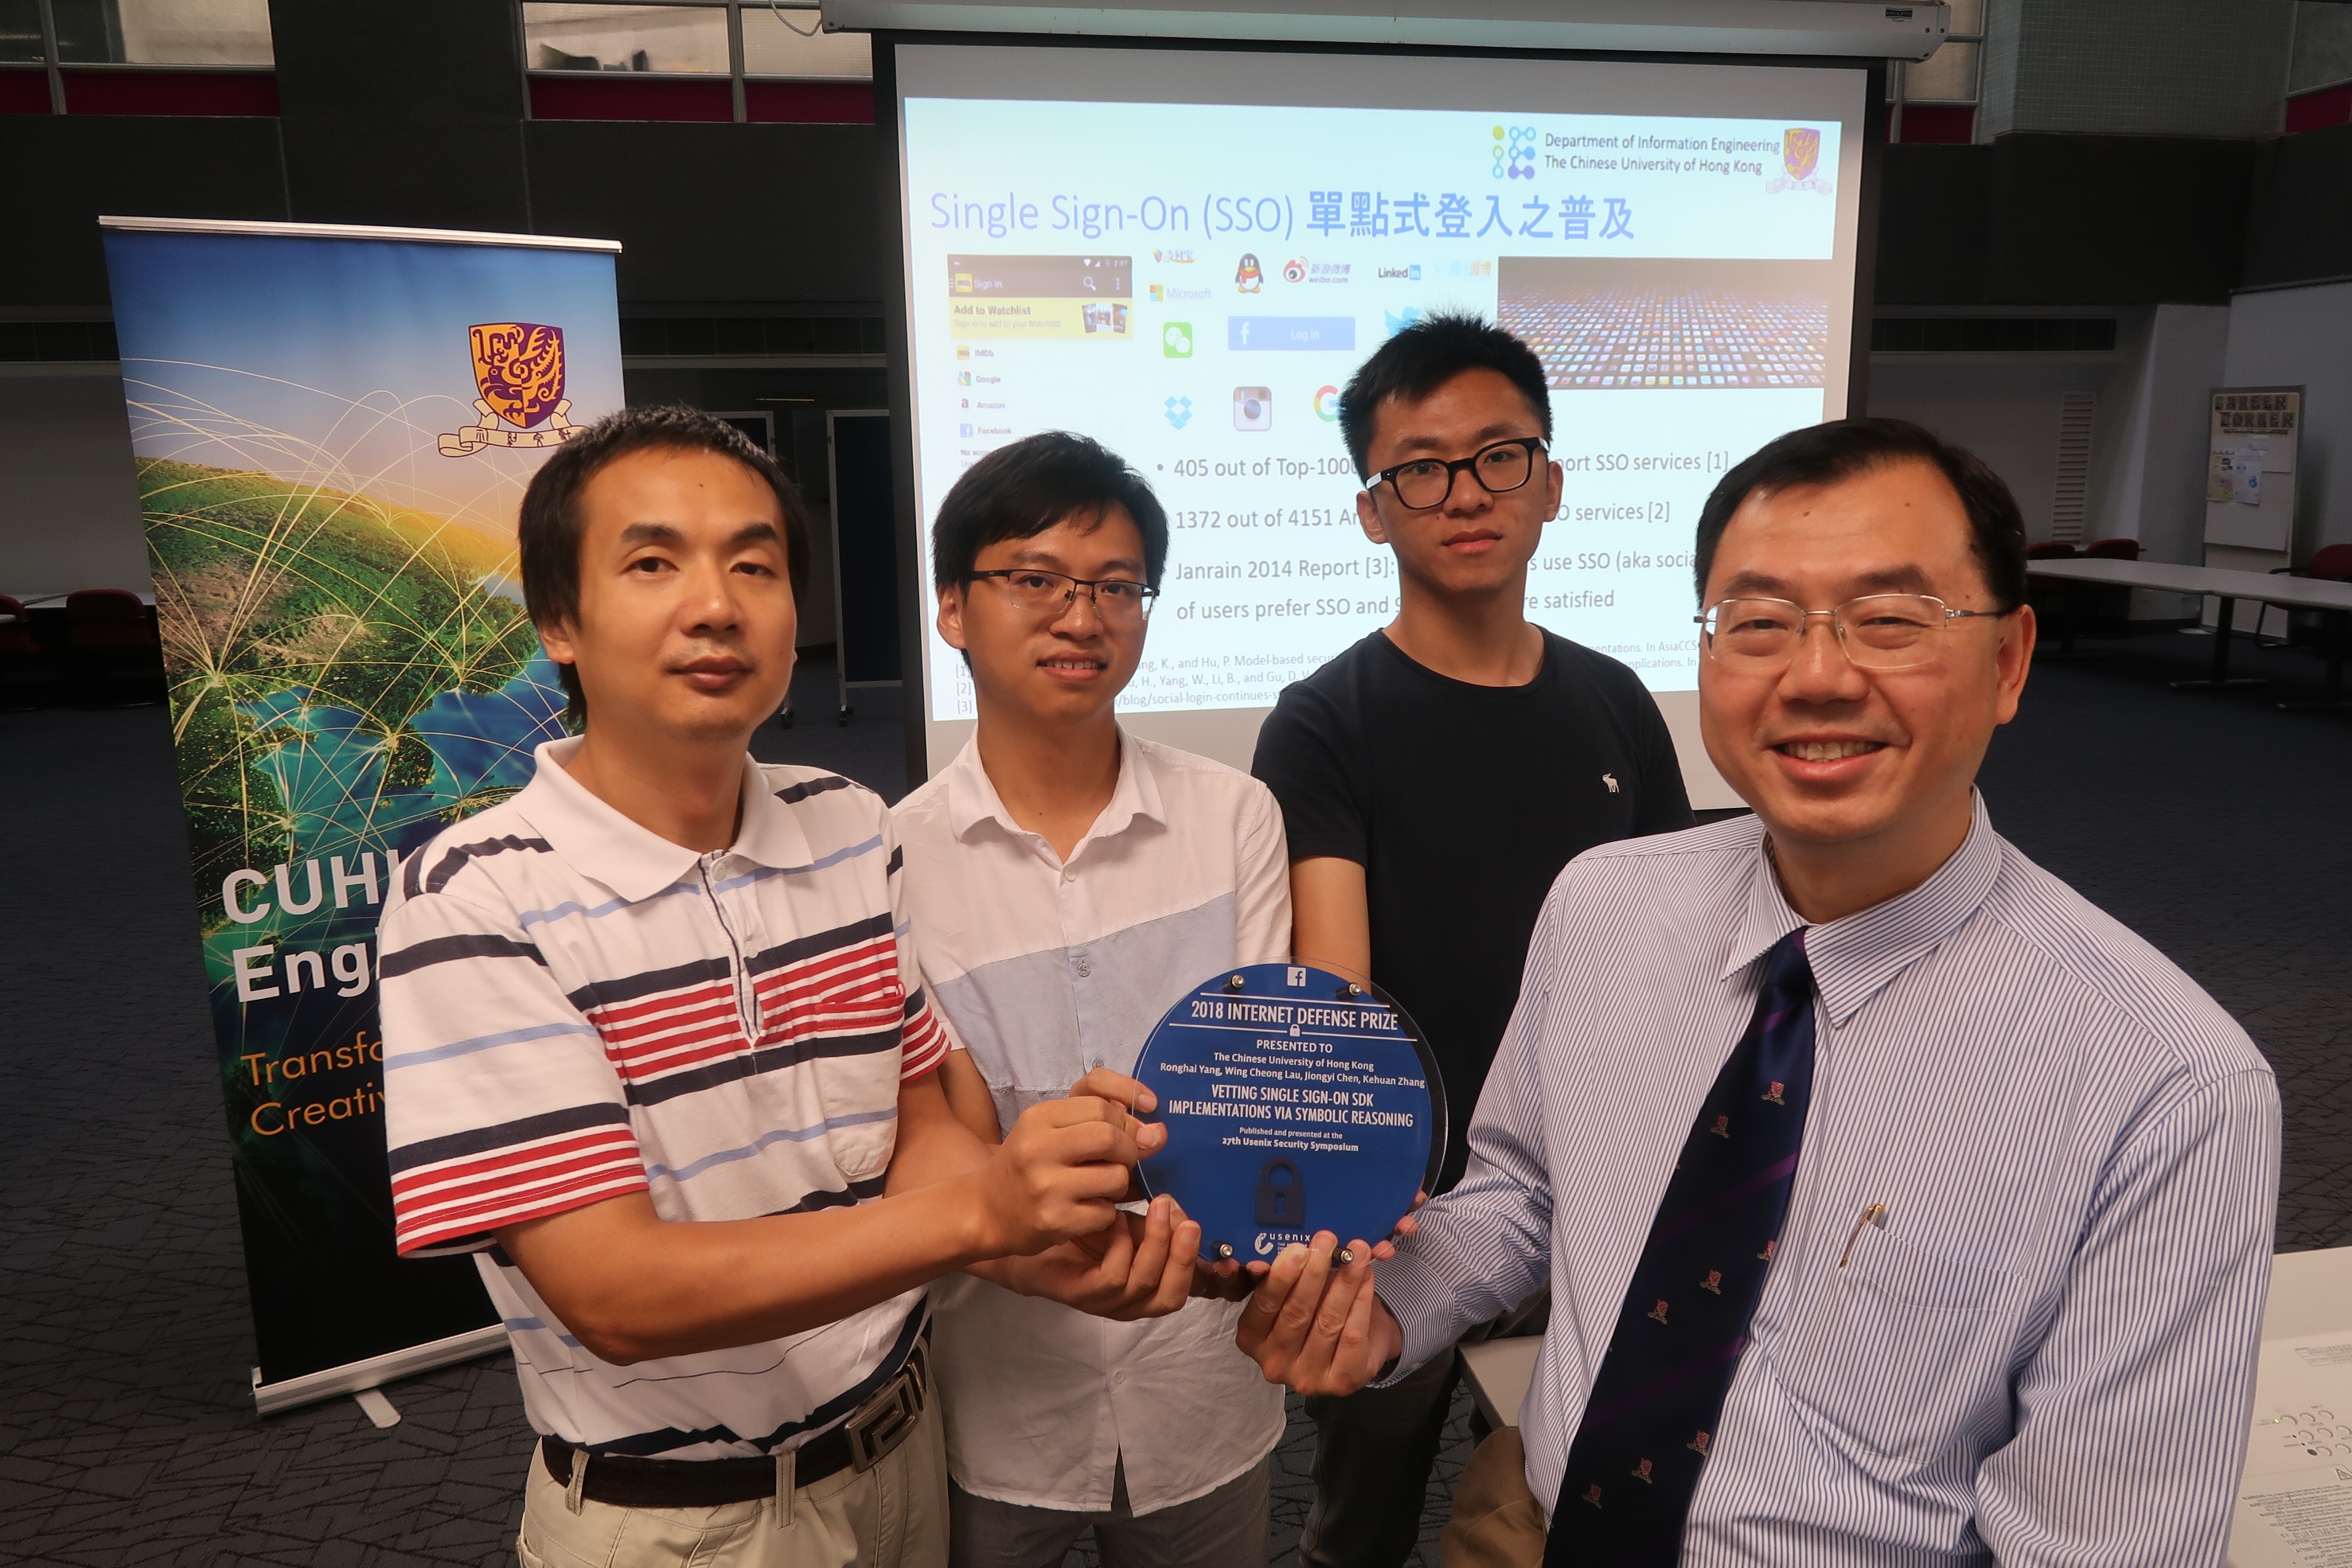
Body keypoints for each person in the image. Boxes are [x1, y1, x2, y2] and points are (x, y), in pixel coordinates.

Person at [1238, 417, 2281, 1567]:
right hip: (1533, 1523)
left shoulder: (2170, 1083)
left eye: (1889, 619)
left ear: (2010, 659)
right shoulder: (1603, 904)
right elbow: (1526, 1190)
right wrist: (1390, 1305)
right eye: (1759, 622)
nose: (1819, 674)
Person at [376, 407, 1194, 1568]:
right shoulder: (468, 898)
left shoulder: (847, 826)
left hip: (901, 1456)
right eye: (653, 561)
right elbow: (613, 1290)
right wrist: (982, 1215)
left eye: (753, 564)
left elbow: (913, 1122)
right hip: (677, 1520)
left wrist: (1042, 1241)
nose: (716, 603)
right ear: (559, 620)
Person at [1250, 312, 1693, 1568]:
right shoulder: (1324, 723)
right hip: (1415, 1208)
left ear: (1550, 483)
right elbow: (1337, 1000)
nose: (1466, 494)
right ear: (1372, 510)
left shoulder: (1615, 701)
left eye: (1500, 456)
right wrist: (1366, 1197)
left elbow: (1678, 951)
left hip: (1599, 1187)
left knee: (1583, 1492)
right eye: (1422, 468)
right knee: (1361, 1516)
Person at [893, 431, 1292, 1568]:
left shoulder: (1234, 817)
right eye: (1036, 579)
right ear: (954, 610)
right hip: (998, 1385)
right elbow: (929, 1139)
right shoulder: (890, 860)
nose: (1083, 615)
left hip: (1202, 1371)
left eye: (1118, 586)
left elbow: (1256, 1086)